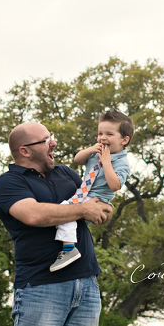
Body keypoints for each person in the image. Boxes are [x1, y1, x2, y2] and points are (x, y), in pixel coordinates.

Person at [0, 121, 113, 326]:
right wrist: (83, 209)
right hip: (42, 286)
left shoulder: (66, 173)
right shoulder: (9, 182)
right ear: (24, 151)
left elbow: (98, 205)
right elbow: (33, 215)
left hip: (87, 283)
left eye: (51, 136)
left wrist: (103, 207)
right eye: (46, 140)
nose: (54, 143)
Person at [50, 110, 133, 272]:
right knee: (65, 214)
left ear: (124, 140)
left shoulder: (122, 163)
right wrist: (90, 150)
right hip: (83, 194)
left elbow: (115, 185)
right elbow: (77, 159)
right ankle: (69, 246)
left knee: (65, 211)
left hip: (97, 199)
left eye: (109, 134)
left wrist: (106, 163)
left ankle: (69, 249)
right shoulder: (96, 153)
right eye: (100, 133)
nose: (103, 138)